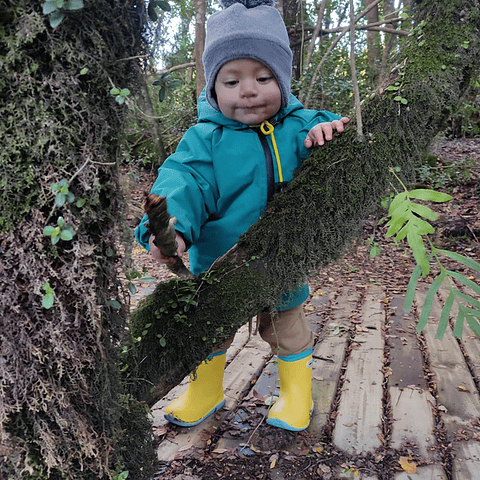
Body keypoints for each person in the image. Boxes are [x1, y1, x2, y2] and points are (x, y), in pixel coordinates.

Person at [135, 0, 349, 432]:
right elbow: (184, 181)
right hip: (218, 263)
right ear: (214, 88)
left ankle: (296, 393)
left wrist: (327, 130)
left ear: (283, 81)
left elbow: (332, 126)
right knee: (209, 331)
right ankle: (205, 391)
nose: (248, 90)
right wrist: (170, 232)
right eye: (231, 80)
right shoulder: (205, 140)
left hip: (281, 259)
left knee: (286, 327)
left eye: (263, 77)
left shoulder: (300, 125)